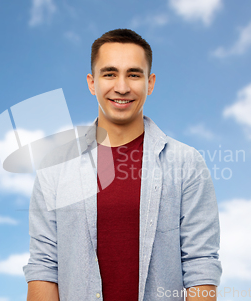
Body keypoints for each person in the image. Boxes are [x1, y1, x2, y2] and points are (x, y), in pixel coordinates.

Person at [24, 28, 222, 301]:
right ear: (92, 83)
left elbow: (201, 265)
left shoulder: (186, 163)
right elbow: (44, 266)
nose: (122, 87)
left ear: (150, 83)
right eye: (109, 73)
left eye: (133, 74)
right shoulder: (55, 167)